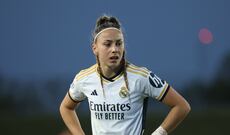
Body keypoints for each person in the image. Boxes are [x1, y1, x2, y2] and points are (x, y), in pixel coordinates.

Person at [59, 15, 191, 135]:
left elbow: (181, 106)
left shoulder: (141, 77)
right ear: (95, 48)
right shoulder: (84, 78)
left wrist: (159, 133)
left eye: (119, 43)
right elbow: (66, 107)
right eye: (107, 44)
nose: (114, 49)